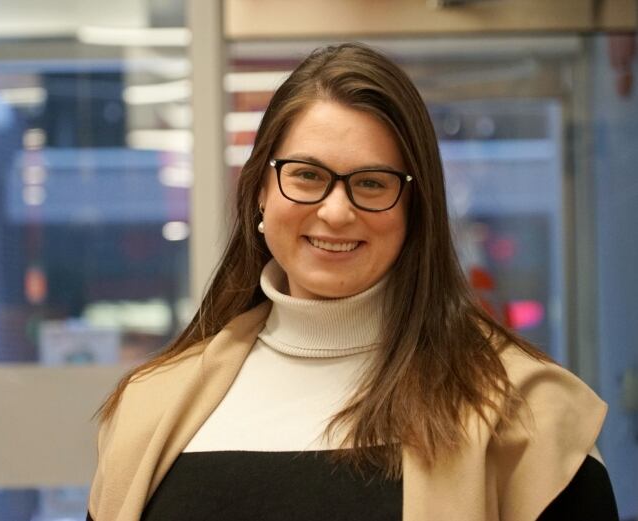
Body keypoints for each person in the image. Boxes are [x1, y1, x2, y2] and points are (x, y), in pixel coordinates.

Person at [85, 43, 618, 521]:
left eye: (371, 183)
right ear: (259, 194)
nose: (336, 212)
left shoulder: (528, 421)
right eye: (307, 175)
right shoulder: (148, 408)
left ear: (415, 209)